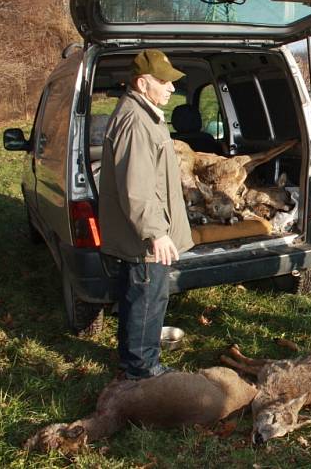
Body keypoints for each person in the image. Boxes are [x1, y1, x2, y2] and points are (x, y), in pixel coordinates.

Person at [99, 49, 194, 380]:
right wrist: (156, 232)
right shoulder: (136, 121)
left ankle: (132, 361)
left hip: (141, 234)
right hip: (144, 239)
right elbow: (136, 188)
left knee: (138, 298)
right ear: (142, 83)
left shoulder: (144, 113)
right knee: (147, 302)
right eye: (164, 82)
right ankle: (143, 373)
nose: (171, 89)